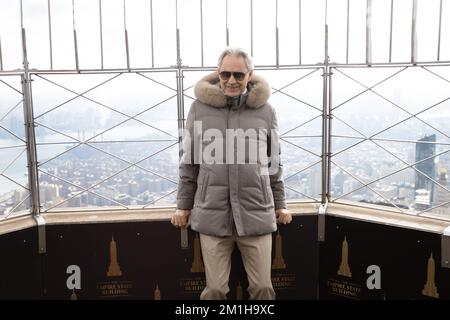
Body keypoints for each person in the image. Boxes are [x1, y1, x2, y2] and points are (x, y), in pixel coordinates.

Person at [171, 47, 292, 300]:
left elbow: (274, 163)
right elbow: (189, 162)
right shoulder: (198, 108)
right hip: (212, 213)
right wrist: (183, 206)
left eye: (238, 75)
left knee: (263, 289)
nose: (232, 80)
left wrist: (279, 204)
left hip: (256, 212)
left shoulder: (266, 111)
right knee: (214, 290)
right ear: (218, 74)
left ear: (250, 75)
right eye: (226, 74)